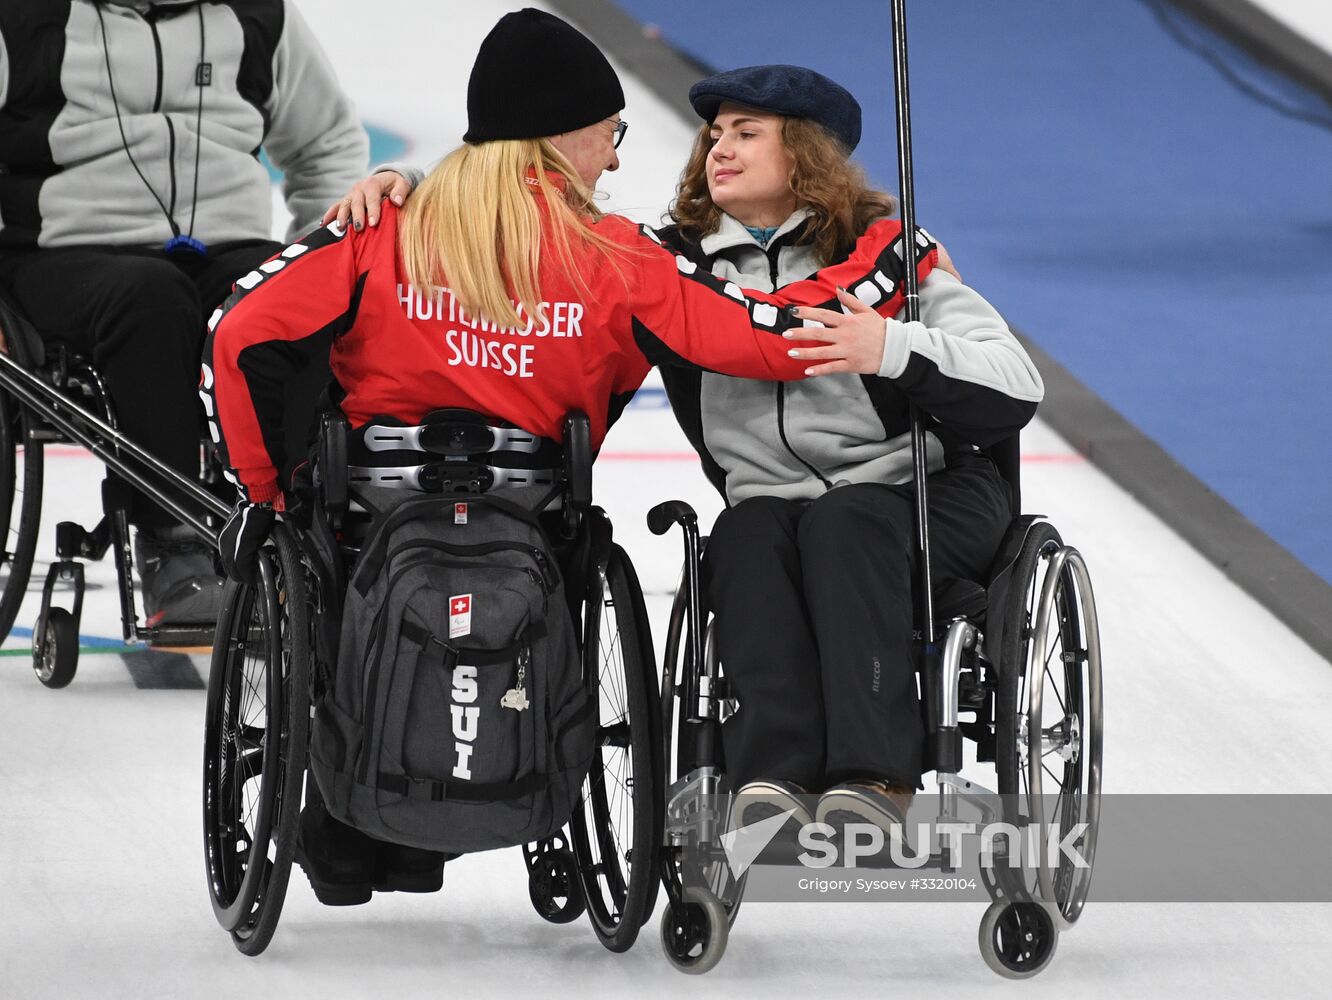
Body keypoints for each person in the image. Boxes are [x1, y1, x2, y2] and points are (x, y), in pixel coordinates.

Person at [203, 9, 909, 905]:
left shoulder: (384, 225)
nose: (616, 159)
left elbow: (240, 333)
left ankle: (355, 818)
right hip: (532, 516)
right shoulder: (620, 256)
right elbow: (773, 340)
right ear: (568, 133)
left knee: (335, 556)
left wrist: (266, 489)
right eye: (612, 136)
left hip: (370, 511)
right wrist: (889, 248)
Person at [654, 65, 1043, 836]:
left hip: (927, 498)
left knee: (847, 519)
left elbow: (1016, 383)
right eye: (714, 134)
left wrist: (892, 345)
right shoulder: (677, 272)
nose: (717, 150)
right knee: (747, 532)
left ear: (805, 152)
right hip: (777, 508)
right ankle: (771, 779)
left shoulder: (893, 259)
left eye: (746, 133)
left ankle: (874, 775)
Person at [0, 0, 368, 625]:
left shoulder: (260, 16)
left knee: (286, 307)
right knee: (153, 299)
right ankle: (172, 543)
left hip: (223, 245)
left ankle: (297, 532)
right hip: (62, 249)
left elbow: (327, 141)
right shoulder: (25, 17)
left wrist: (316, 255)